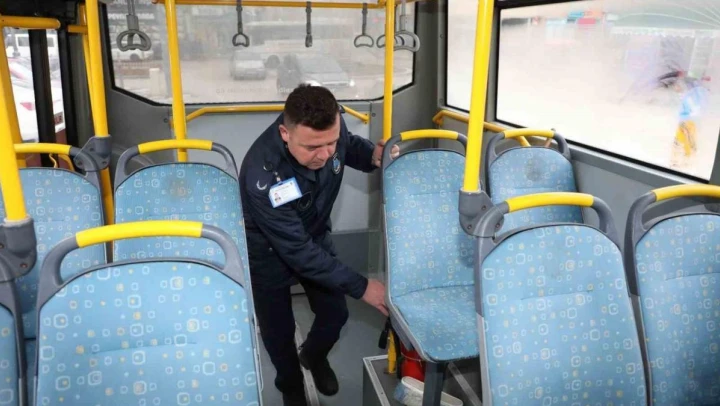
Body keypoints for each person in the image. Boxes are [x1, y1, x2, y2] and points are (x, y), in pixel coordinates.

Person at [239, 84, 398, 406]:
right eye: (312, 147)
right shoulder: (262, 175)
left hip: (314, 235)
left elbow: (349, 145)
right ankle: (290, 384)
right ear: (285, 133)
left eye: (330, 143)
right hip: (268, 253)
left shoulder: (331, 126)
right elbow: (298, 252)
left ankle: (313, 355)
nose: (325, 155)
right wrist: (363, 287)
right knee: (279, 331)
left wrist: (372, 155)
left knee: (335, 314)